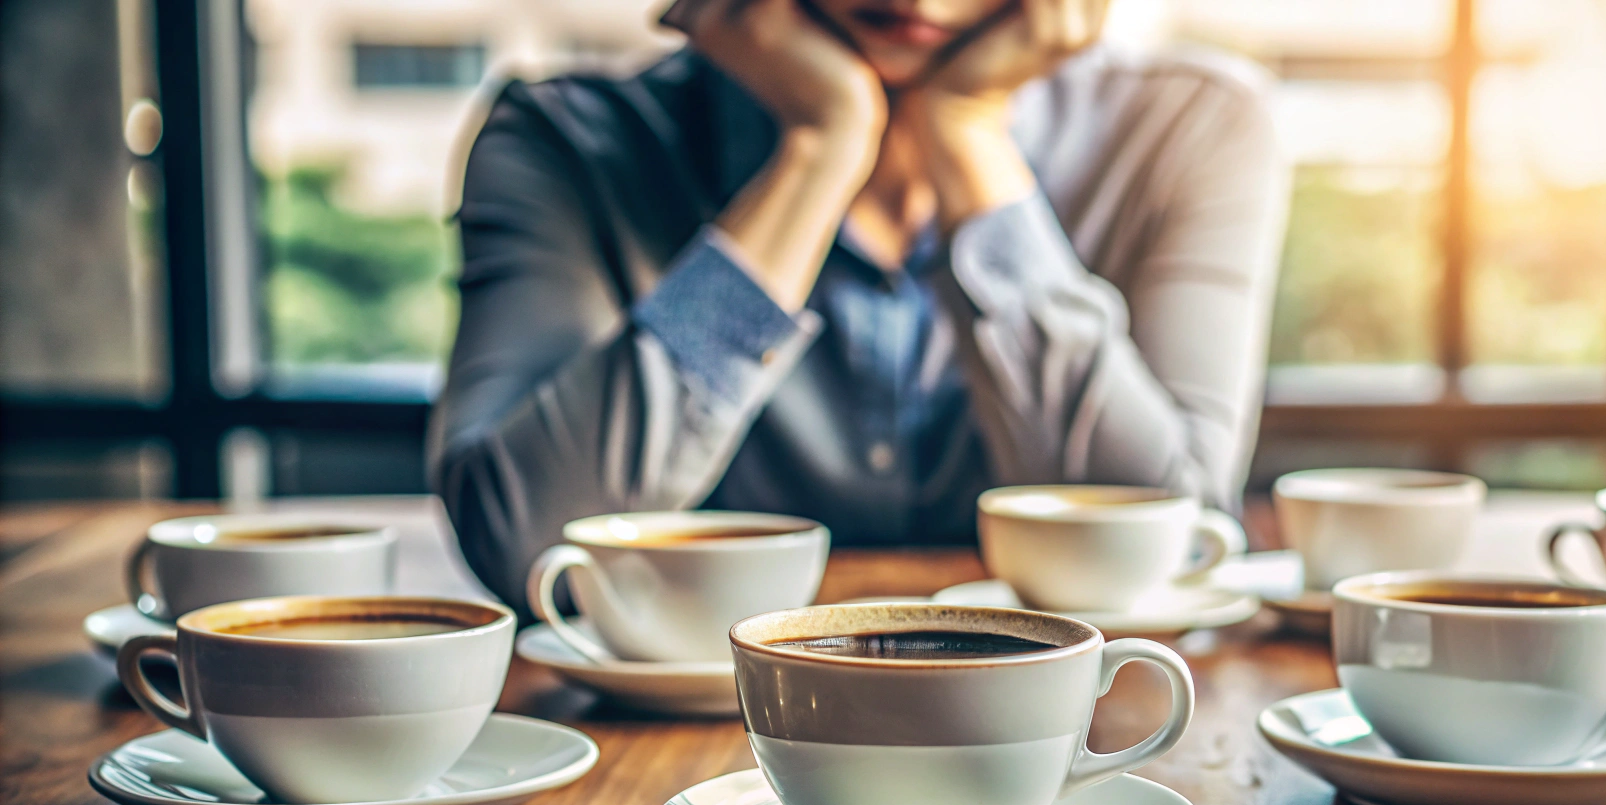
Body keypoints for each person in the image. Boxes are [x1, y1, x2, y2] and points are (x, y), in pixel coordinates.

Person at [429, 0, 1288, 610]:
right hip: (673, 740)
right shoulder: (563, 138)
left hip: (1071, 712)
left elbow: (1171, 545)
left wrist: (970, 134)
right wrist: (818, 151)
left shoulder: (1192, 128)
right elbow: (528, 547)